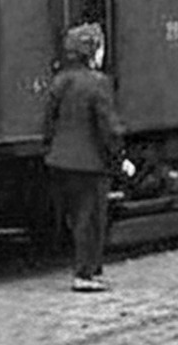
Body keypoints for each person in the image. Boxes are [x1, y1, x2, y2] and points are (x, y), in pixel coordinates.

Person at [43, 22, 124, 292]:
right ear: (92, 53)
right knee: (92, 220)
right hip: (90, 164)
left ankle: (86, 270)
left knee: (76, 217)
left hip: (61, 161)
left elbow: (48, 123)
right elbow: (108, 128)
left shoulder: (60, 82)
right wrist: (119, 158)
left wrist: (51, 150)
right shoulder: (98, 84)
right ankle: (86, 273)